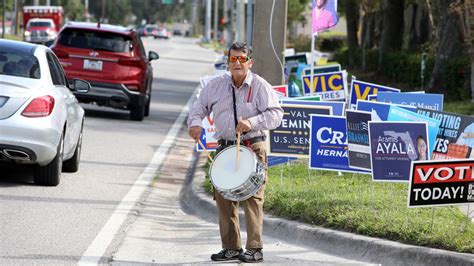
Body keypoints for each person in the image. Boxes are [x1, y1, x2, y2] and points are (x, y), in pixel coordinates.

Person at [187, 42, 283, 263]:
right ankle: (231, 248)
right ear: (228, 62)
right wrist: (195, 123)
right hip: (225, 148)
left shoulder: (260, 86)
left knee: (252, 197)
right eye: (233, 59)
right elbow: (199, 106)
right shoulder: (216, 85)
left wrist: (252, 121)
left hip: (253, 146)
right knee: (224, 198)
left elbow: (276, 114)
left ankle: (255, 249)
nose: (237, 63)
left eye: (242, 59)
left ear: (250, 62)